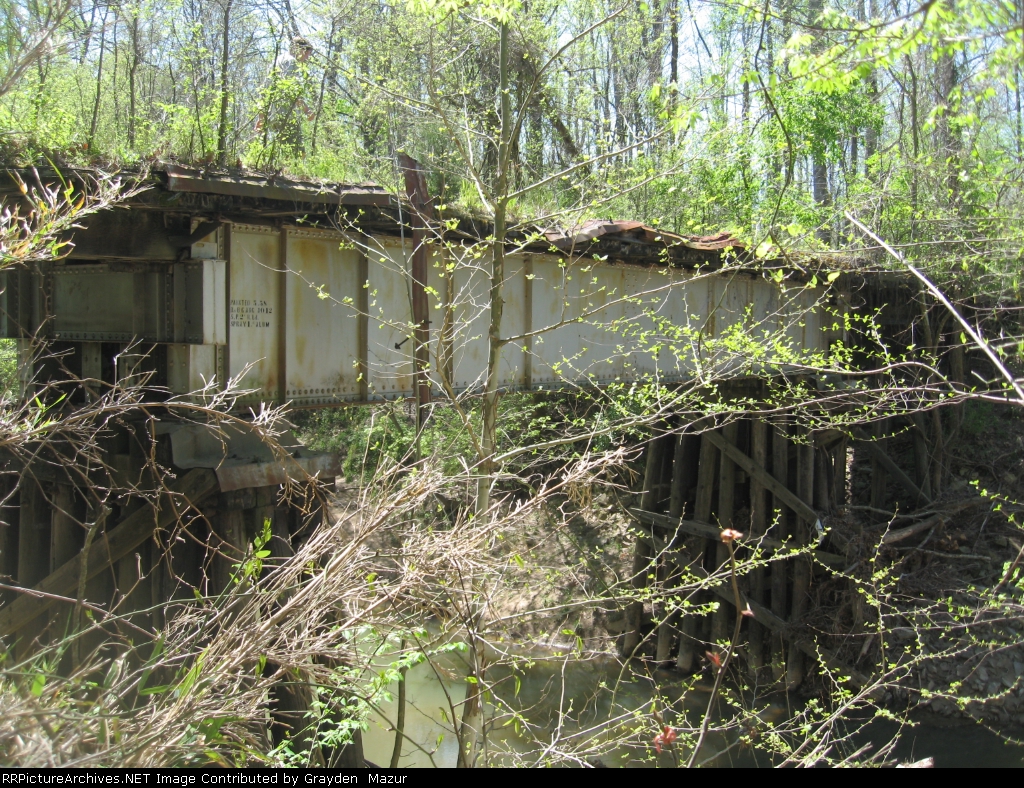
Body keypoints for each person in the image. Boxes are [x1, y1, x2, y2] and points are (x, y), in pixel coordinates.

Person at [257, 36, 315, 159]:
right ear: (301, 50)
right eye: (307, 55)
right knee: (298, 154)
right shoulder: (291, 62)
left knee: (283, 151)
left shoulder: (277, 61)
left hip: (274, 114)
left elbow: (264, 90)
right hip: (286, 114)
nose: (306, 58)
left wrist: (261, 117)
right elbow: (291, 91)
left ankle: (281, 173)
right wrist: (307, 110)